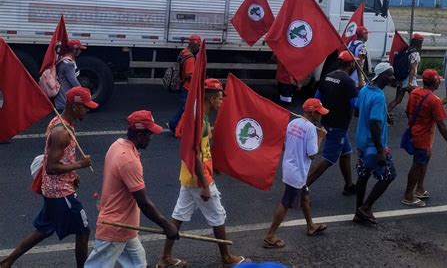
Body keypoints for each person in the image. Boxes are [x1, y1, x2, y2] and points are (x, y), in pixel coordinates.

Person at [0, 87, 96, 268]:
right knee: (83, 230)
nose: (88, 110)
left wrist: (72, 174)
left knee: (44, 229)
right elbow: (51, 167)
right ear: (74, 106)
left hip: (53, 188)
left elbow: (61, 157)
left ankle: (6, 262)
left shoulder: (60, 121)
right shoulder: (61, 132)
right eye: (85, 107)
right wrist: (79, 165)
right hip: (61, 193)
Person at [159, 78, 250, 268]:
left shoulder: (202, 118)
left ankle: (165, 258)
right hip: (198, 179)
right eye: (219, 98)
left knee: (178, 216)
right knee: (218, 216)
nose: (221, 102)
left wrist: (213, 165)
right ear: (210, 98)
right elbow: (194, 154)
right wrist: (206, 184)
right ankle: (226, 257)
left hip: (190, 176)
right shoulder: (199, 121)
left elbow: (203, 147)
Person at [85, 111, 178, 267]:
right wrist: (167, 225)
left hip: (125, 226)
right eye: (150, 134)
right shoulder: (128, 160)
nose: (151, 138)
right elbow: (144, 202)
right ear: (140, 135)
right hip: (116, 227)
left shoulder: (117, 145)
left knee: (138, 263)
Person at [263, 98, 328, 249]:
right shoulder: (311, 129)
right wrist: (320, 137)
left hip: (289, 167)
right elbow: (312, 154)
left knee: (304, 196)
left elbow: (285, 145)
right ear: (312, 113)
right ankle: (270, 235)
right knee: (286, 203)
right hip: (298, 172)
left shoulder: (292, 123)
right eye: (319, 113)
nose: (321, 116)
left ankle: (311, 226)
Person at [307, 51, 361, 195]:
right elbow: (356, 105)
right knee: (328, 159)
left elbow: (317, 98)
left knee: (346, 153)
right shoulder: (349, 82)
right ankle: (301, 188)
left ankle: (349, 186)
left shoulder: (327, 76)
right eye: (353, 63)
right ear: (350, 64)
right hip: (338, 125)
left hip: (326, 121)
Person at [402, 69, 447, 207]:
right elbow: (441, 125)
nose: (440, 82)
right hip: (423, 137)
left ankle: (419, 188)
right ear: (435, 82)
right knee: (418, 164)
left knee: (424, 160)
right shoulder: (434, 100)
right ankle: (408, 195)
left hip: (415, 133)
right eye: (438, 80)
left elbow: (408, 111)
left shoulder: (414, 93)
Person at [353, 62, 397, 224]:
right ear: (383, 76)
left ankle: (358, 212)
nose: (392, 78)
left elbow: (357, 111)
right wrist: (380, 151)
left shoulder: (364, 90)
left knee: (363, 175)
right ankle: (365, 207)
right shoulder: (379, 96)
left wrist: (383, 115)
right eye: (390, 75)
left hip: (361, 142)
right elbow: (374, 124)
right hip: (374, 145)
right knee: (389, 175)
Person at [168, 35, 201, 133]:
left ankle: (179, 126)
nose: (199, 48)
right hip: (187, 87)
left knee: (185, 108)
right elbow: (189, 75)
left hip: (181, 84)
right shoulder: (190, 58)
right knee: (186, 108)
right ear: (193, 44)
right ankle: (174, 124)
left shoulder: (183, 52)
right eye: (198, 46)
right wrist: (198, 78)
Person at [388, 33, 424, 114]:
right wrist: (410, 82)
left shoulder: (406, 50)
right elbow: (412, 69)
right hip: (409, 80)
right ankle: (413, 115)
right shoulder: (415, 53)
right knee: (418, 99)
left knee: (397, 100)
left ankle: (385, 114)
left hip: (401, 78)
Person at [55, 39, 87, 111]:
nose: (80, 51)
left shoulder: (63, 59)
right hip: (65, 102)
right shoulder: (69, 64)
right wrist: (85, 94)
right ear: (74, 50)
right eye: (79, 49)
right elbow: (75, 83)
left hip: (60, 99)